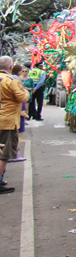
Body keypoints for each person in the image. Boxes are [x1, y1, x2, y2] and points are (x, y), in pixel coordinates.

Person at [0, 56, 29, 195]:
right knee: (4, 154)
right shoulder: (11, 81)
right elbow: (22, 98)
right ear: (10, 67)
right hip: (7, 120)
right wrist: (26, 92)